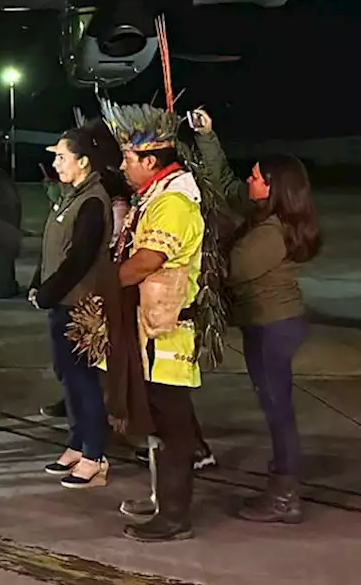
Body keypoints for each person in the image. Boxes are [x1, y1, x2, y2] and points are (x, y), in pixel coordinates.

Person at [193, 108, 319, 523]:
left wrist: (209, 236)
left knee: (277, 409)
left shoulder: (270, 232)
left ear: (273, 188)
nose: (249, 180)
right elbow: (227, 185)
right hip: (268, 323)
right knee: (275, 405)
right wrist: (208, 137)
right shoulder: (263, 216)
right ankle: (285, 485)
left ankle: (285, 494)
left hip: (272, 327)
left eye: (256, 177)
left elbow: (231, 270)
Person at [102, 101, 205, 543]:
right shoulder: (156, 196)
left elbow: (147, 261)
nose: (123, 166)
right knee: (159, 420)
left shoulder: (175, 203)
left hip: (167, 334)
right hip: (150, 330)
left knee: (173, 426)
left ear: (149, 160)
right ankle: (164, 499)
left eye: (128, 158)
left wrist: (100, 284)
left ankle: (175, 515)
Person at [29, 127, 114, 489]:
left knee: (84, 379)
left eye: (61, 157)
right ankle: (77, 443)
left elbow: (79, 258)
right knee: (68, 377)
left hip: (79, 306)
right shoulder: (69, 196)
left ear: (83, 162)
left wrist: (49, 292)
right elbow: (52, 247)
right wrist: (38, 282)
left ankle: (95, 455)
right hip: (61, 301)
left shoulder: (93, 201)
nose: (55, 163)